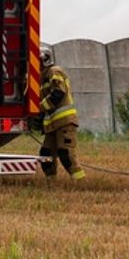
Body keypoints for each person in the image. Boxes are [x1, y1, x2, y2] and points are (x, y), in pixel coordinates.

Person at [38, 43, 86, 181]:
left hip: (65, 122)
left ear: (44, 60)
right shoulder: (43, 75)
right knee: (46, 154)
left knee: (66, 153)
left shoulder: (55, 71)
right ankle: (51, 181)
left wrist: (40, 107)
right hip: (53, 124)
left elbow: (58, 93)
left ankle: (80, 182)